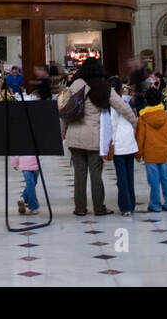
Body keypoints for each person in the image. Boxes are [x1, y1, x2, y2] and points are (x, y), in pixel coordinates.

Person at [57, 59, 137, 216]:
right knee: (95, 173)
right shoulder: (104, 87)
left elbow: (65, 111)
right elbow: (122, 106)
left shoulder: (75, 85)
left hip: (74, 136)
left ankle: (80, 208)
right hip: (94, 138)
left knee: (79, 174)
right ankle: (99, 207)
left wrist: (64, 130)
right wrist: (135, 122)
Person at [136, 86, 167, 213]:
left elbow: (140, 137)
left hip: (150, 154)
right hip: (164, 153)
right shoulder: (165, 116)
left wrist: (138, 154)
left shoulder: (143, 118)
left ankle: (155, 204)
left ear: (147, 101)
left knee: (153, 181)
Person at [102, 93, 140, 216]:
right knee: (130, 176)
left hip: (119, 146)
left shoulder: (113, 108)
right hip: (130, 144)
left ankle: (126, 207)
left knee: (122, 178)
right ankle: (132, 204)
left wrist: (108, 144)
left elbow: (112, 126)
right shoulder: (127, 104)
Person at [11, 149, 41, 216]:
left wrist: (15, 163)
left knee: (32, 183)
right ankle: (34, 206)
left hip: (30, 163)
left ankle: (22, 198)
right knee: (31, 183)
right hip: (32, 163)